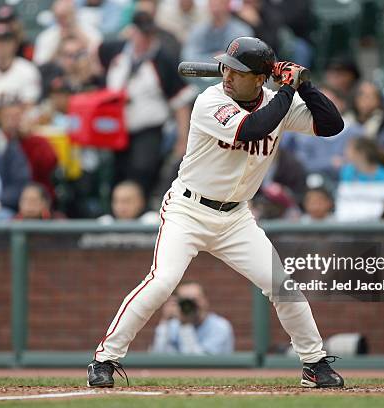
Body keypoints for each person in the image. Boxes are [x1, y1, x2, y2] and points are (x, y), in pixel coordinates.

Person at [87, 37, 345, 389]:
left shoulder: (275, 101)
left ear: (258, 78)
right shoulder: (210, 100)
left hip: (236, 218)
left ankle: (314, 363)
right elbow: (252, 128)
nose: (226, 74)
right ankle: (104, 359)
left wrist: (306, 86)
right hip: (188, 209)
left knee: (282, 286)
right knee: (162, 282)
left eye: (237, 71)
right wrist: (286, 89)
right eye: (226, 66)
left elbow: (332, 125)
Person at [99, 10, 194, 197]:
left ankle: (140, 216)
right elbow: (96, 57)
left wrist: (183, 139)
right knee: (116, 173)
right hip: (117, 128)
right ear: (132, 32)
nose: (146, 38)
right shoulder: (116, 51)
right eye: (142, 33)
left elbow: (180, 101)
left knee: (142, 171)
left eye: (149, 33)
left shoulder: (163, 59)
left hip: (148, 128)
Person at [151, 281, 234, 354]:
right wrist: (165, 322)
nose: (190, 306)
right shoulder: (173, 325)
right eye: (185, 301)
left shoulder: (219, 327)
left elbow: (198, 364)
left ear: (205, 301)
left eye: (195, 300)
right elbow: (157, 356)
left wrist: (185, 325)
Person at [33, 0, 103, 66]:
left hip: (85, 75)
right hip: (58, 74)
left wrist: (79, 35)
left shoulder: (91, 32)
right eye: (58, 17)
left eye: (66, 16)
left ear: (74, 13)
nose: (62, 20)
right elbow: (41, 65)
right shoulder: (46, 37)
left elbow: (99, 59)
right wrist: (59, 44)